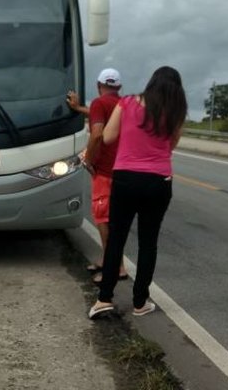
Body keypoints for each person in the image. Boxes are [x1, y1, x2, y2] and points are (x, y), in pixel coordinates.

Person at [89, 66, 187, 319]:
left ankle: (104, 299)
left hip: (124, 178)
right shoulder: (175, 111)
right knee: (148, 242)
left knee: (116, 239)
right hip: (159, 181)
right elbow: (171, 146)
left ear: (152, 82)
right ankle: (140, 302)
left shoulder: (127, 102)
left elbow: (108, 137)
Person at [67, 68, 129, 284]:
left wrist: (89, 160)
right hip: (123, 170)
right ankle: (107, 260)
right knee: (114, 220)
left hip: (104, 171)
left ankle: (117, 267)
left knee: (104, 220)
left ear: (98, 85)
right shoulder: (123, 105)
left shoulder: (99, 104)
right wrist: (80, 109)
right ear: (118, 87)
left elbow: (97, 134)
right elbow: (101, 114)